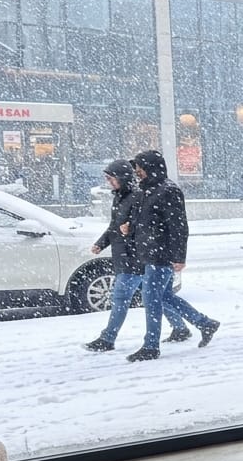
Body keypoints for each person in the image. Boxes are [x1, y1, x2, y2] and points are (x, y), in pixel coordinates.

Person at [123, 149, 220, 363]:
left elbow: (178, 227)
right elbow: (144, 220)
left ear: (150, 167)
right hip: (149, 252)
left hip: (161, 254)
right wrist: (130, 228)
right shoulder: (146, 190)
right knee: (164, 297)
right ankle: (205, 323)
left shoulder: (168, 190)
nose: (137, 171)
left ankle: (151, 346)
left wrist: (179, 257)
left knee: (151, 299)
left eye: (139, 167)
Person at [83, 160, 189, 352]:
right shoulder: (121, 197)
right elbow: (115, 226)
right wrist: (101, 243)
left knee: (121, 297)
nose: (108, 182)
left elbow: (144, 227)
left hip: (136, 256)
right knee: (158, 297)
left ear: (122, 178)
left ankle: (108, 338)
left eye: (111, 178)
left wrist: (129, 231)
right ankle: (181, 328)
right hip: (127, 255)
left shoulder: (138, 196)